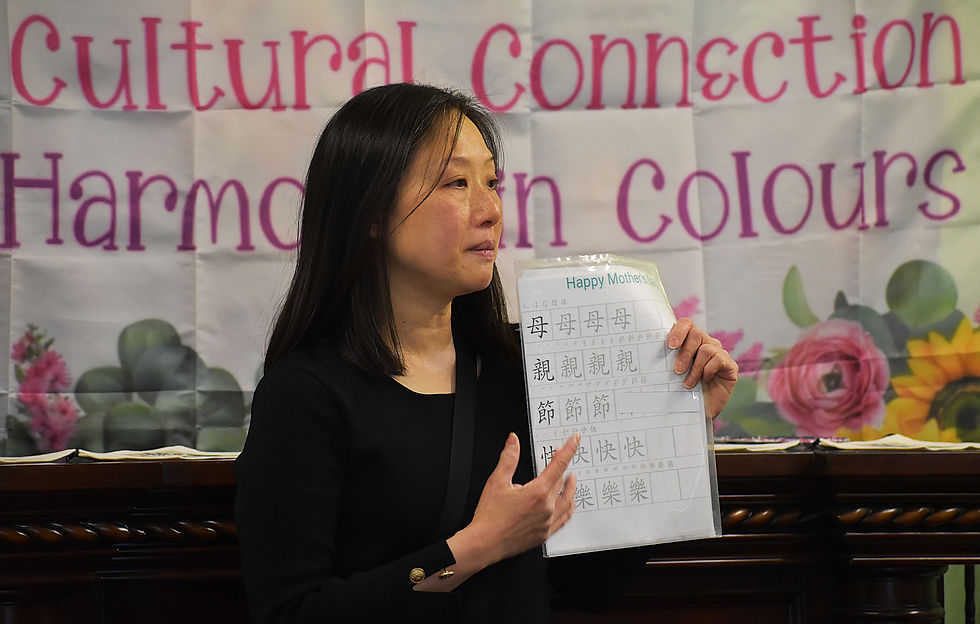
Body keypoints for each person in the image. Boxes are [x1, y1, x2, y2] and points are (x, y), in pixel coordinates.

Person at [234, 82, 738, 623]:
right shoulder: (306, 394)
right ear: (371, 212)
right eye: (456, 182)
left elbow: (591, 583)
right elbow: (289, 612)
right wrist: (477, 547)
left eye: (492, 182)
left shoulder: (524, 367)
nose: (491, 210)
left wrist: (681, 420)